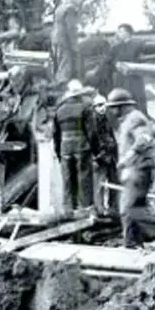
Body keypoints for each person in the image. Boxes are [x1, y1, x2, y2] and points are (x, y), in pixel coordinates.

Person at [106, 87, 155, 248]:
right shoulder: (129, 120)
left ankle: (131, 244)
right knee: (135, 208)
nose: (112, 111)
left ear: (122, 106)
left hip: (137, 169)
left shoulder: (135, 118)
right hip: (135, 169)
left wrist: (129, 157)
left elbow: (144, 139)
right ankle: (137, 243)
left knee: (127, 208)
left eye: (114, 107)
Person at [101, 23, 155, 114]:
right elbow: (107, 61)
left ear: (128, 32)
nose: (118, 33)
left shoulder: (137, 43)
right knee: (122, 101)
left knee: (138, 101)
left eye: (120, 31)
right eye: (117, 31)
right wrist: (115, 65)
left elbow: (150, 48)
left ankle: (143, 117)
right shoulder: (115, 48)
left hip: (135, 78)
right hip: (120, 80)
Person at [52, 79, 97, 214]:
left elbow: (56, 135)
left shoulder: (59, 110)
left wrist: (59, 153)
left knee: (68, 181)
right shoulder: (86, 107)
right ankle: (85, 210)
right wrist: (96, 150)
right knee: (84, 180)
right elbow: (91, 131)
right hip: (82, 148)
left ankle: (68, 210)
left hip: (65, 149)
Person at [91, 93, 119, 216]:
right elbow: (93, 140)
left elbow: (112, 136)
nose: (102, 108)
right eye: (99, 105)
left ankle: (113, 209)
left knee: (114, 182)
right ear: (94, 107)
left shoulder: (106, 119)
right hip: (101, 157)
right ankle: (100, 210)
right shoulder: (92, 122)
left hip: (111, 156)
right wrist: (98, 156)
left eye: (104, 105)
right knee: (99, 185)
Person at [51, 0, 83, 86]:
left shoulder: (60, 8)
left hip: (56, 38)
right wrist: (75, 45)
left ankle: (58, 81)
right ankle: (63, 84)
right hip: (65, 39)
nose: (80, 0)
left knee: (60, 62)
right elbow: (71, 28)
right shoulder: (71, 8)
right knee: (67, 63)